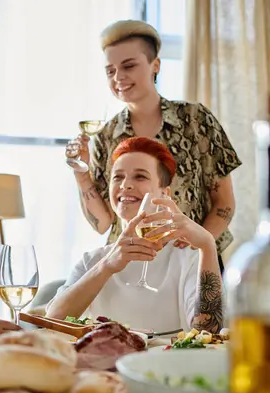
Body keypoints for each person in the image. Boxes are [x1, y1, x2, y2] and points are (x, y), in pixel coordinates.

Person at [66, 19, 241, 274]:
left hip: (194, 266)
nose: (118, 77)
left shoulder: (195, 119)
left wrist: (195, 245)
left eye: (129, 66)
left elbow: (224, 204)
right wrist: (81, 175)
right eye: (110, 70)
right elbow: (103, 223)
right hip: (127, 267)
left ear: (155, 65)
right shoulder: (105, 136)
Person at [48, 138, 223, 334]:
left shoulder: (190, 258)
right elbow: (52, 321)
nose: (125, 185)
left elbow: (209, 332)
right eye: (118, 177)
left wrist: (208, 245)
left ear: (164, 194)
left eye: (140, 176)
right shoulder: (92, 261)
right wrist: (106, 267)